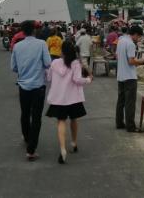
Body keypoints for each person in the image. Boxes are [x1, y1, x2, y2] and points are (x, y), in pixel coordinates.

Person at [10, 20, 52, 161]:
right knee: (36, 117)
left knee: (25, 113)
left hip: (23, 86)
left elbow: (13, 67)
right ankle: (31, 149)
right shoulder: (41, 44)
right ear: (34, 30)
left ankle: (27, 138)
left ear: (22, 31)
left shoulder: (17, 46)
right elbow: (47, 63)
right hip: (38, 86)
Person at [46, 40, 92, 164]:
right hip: (73, 98)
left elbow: (49, 78)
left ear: (62, 50)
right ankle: (74, 142)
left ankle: (62, 149)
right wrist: (88, 79)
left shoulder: (55, 62)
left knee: (61, 122)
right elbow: (77, 79)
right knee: (74, 119)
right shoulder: (75, 63)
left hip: (59, 99)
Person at [115, 25, 144, 133]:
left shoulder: (121, 40)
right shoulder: (130, 44)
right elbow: (131, 61)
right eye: (139, 37)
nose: (138, 39)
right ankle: (131, 126)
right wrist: (142, 61)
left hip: (120, 75)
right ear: (135, 34)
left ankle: (119, 123)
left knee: (121, 101)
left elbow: (117, 56)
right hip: (129, 76)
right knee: (130, 102)